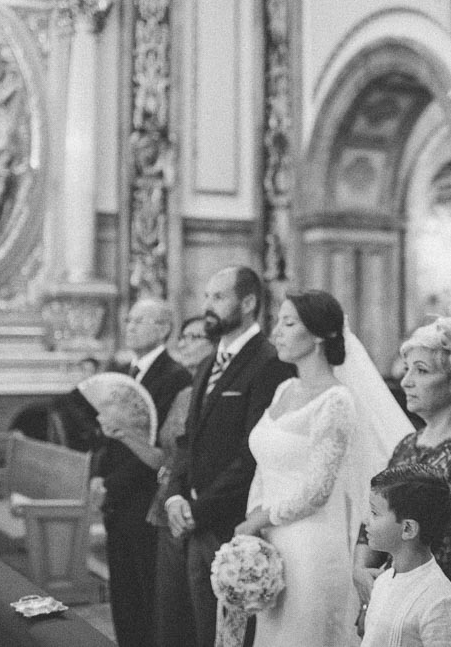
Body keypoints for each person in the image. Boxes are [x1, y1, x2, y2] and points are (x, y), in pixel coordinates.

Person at [235, 289, 413, 646]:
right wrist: (252, 522)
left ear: (317, 334)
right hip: (269, 538)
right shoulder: (285, 388)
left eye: (288, 323)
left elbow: (317, 491)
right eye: (278, 323)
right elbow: (265, 462)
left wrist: (259, 519)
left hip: (309, 542)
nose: (277, 333)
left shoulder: (336, 400)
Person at [353, 317, 451, 647]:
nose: (406, 381)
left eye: (421, 371)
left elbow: (449, 540)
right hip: (394, 586)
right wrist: (361, 570)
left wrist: (388, 583)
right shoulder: (407, 445)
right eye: (407, 369)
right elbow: (376, 513)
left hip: (442, 601)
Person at [162, 267, 296, 647]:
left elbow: (252, 452)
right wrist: (175, 494)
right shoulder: (208, 363)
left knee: (234, 636)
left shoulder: (268, 362)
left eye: (218, 297)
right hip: (195, 521)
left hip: (235, 523)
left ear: (248, 302)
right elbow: (188, 439)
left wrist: (199, 509)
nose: (207, 306)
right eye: (206, 297)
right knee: (203, 632)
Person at [96, 298, 191, 647]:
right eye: (129, 319)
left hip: (146, 499)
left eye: (140, 320)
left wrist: (112, 484)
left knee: (146, 593)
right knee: (122, 596)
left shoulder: (175, 376)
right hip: (118, 500)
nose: (130, 326)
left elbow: (162, 446)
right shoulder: (125, 374)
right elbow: (107, 434)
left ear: (164, 328)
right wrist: (99, 475)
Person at [149, 316, 214, 647]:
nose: (184, 343)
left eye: (195, 336)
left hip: (195, 506)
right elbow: (165, 453)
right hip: (165, 503)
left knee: (195, 611)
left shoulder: (212, 392)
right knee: (169, 609)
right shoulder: (183, 393)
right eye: (183, 336)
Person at [362, 463, 451, 647]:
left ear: (408, 528)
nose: (366, 520)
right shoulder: (383, 581)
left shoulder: (439, 602)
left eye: (374, 513)